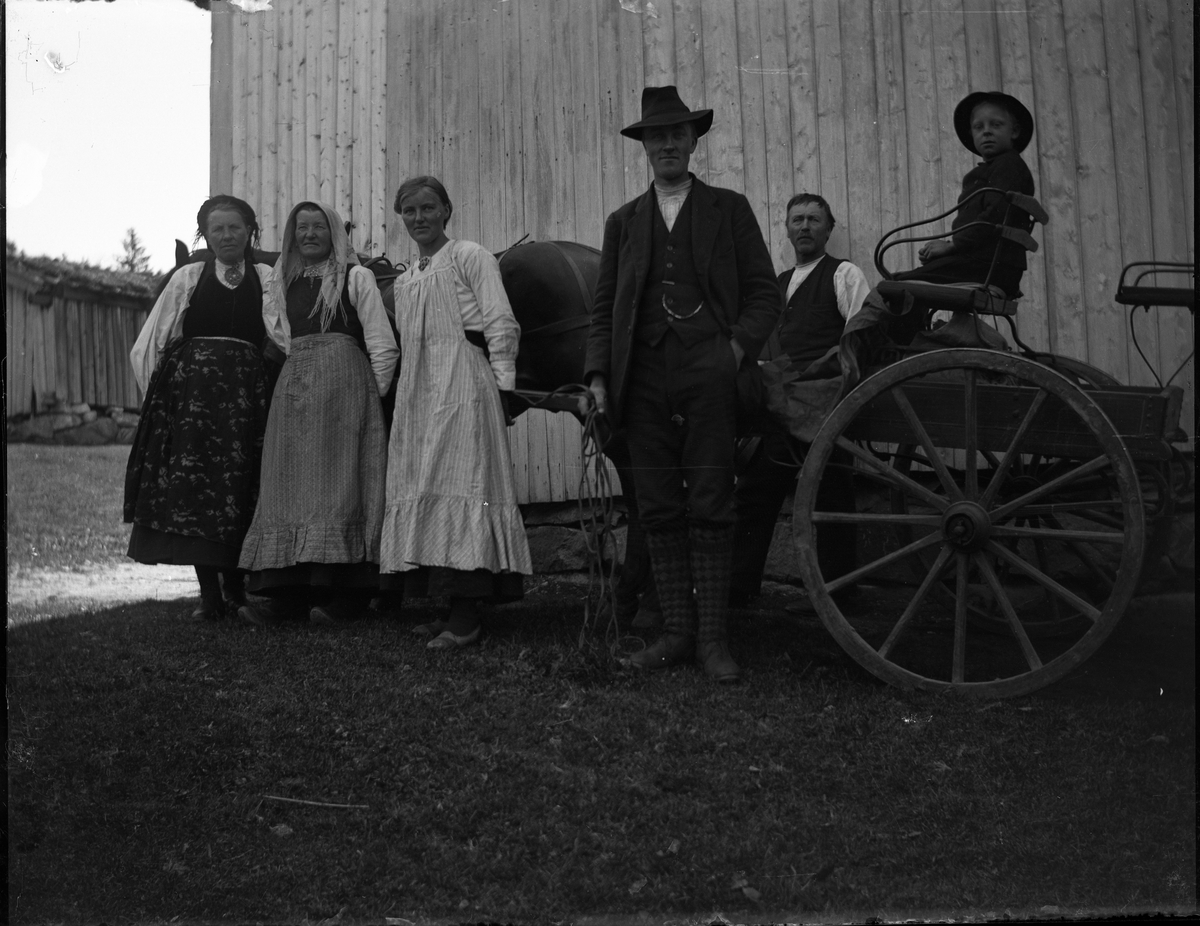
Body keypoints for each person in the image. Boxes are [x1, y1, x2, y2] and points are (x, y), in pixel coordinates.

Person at [584, 86, 782, 683]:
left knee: (712, 504)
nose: (667, 143)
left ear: (694, 141)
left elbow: (765, 295)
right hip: (639, 379)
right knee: (659, 505)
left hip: (710, 375)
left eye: (677, 134)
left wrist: (732, 352)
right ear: (643, 147)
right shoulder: (624, 221)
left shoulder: (729, 208)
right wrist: (598, 377)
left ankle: (714, 642)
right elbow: (602, 310)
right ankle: (674, 634)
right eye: (655, 135)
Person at [379, 176, 532, 649]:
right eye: (409, 210)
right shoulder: (405, 281)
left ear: (446, 210)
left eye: (428, 208)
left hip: (464, 382)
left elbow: (500, 321)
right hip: (420, 390)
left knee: (465, 486)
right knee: (426, 484)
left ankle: (467, 617)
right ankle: (445, 606)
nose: (419, 218)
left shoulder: (470, 256)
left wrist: (504, 388)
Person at [236, 201, 399, 625]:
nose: (309, 234)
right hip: (297, 388)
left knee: (341, 487)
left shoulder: (355, 277)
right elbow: (283, 337)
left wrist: (368, 396)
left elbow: (382, 343)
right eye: (301, 228)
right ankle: (287, 598)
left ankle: (347, 598)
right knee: (287, 485)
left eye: (318, 227)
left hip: (347, 387)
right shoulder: (281, 281)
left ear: (333, 233)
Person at [124, 195, 274, 621]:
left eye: (235, 228)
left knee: (240, 486)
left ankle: (238, 592)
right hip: (191, 400)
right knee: (194, 489)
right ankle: (210, 596)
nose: (227, 236)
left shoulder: (266, 276)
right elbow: (150, 343)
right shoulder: (189, 275)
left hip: (245, 400)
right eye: (217, 229)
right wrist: (163, 401)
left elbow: (280, 335)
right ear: (205, 235)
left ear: (250, 231)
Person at [729, 193, 871, 609]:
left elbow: (859, 337)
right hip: (779, 408)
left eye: (813, 219)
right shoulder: (774, 284)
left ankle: (841, 595)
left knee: (832, 496)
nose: (804, 226)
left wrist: (827, 382)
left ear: (829, 229)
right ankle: (738, 589)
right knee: (755, 490)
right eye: (797, 220)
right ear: (787, 229)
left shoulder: (844, 274)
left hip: (824, 406)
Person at [883, 91, 1036, 344]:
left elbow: (994, 217)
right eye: (979, 127)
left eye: (996, 125)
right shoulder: (994, 169)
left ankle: (899, 352)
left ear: (1015, 132)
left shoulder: (1009, 166)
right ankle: (913, 347)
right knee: (908, 280)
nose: (986, 131)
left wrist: (952, 246)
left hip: (987, 269)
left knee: (897, 285)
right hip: (986, 265)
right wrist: (949, 250)